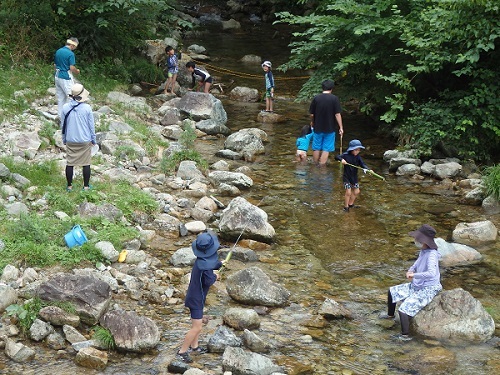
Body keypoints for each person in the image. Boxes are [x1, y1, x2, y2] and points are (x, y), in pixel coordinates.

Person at [380, 224, 442, 341]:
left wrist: (414, 275)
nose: (416, 241)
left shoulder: (432, 255)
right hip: (417, 284)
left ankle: (405, 336)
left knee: (403, 310)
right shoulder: (423, 251)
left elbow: (431, 273)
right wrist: (411, 269)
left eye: (418, 239)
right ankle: (390, 315)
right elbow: (417, 263)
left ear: (425, 241)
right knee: (392, 292)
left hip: (428, 287)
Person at [177, 230, 226, 363]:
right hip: (196, 300)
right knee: (197, 327)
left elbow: (211, 264)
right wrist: (216, 275)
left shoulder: (201, 261)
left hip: (196, 297)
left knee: (197, 325)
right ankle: (182, 351)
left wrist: (220, 263)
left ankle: (195, 347)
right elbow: (208, 281)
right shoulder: (205, 266)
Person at [61, 83, 96, 192]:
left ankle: (69, 186)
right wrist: (93, 139)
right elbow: (91, 126)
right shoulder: (87, 108)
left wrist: (64, 139)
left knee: (70, 163)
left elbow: (63, 125)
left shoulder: (65, 107)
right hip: (84, 140)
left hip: (71, 139)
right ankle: (86, 186)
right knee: (86, 164)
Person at [309, 79, 344, 166]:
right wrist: (341, 127)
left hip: (318, 127)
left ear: (322, 87)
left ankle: (315, 165)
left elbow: (312, 114)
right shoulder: (334, 99)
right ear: (332, 88)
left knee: (316, 147)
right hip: (330, 127)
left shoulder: (316, 98)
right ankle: (321, 166)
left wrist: (312, 122)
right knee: (326, 148)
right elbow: (337, 114)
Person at [335, 139, 370, 212]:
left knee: (357, 191)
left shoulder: (358, 157)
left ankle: (351, 204)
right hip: (347, 177)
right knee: (348, 192)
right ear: (351, 149)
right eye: (356, 150)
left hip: (354, 177)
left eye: (358, 150)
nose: (357, 151)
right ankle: (346, 207)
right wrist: (342, 160)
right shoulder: (346, 155)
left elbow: (362, 164)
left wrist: (368, 169)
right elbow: (337, 156)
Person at [54, 37, 80, 118]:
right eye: (75, 47)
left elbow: (55, 65)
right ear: (73, 45)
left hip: (57, 75)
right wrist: (77, 71)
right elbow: (71, 67)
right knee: (71, 97)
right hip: (66, 77)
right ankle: (69, 117)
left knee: (61, 98)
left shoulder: (58, 51)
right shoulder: (70, 54)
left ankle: (60, 117)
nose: (75, 49)